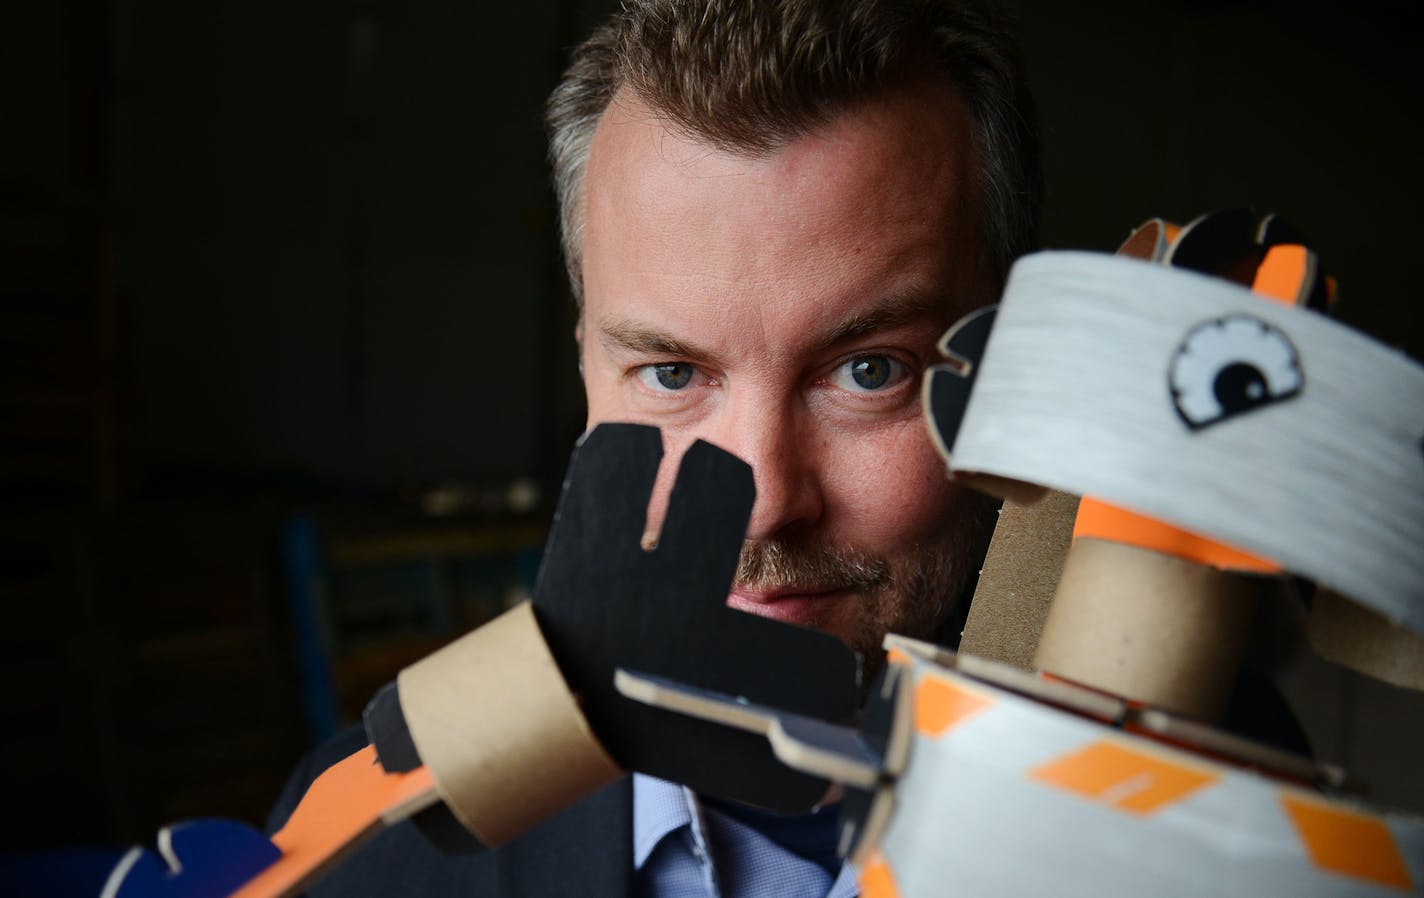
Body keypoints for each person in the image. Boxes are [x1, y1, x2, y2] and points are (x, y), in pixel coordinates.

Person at [270, 1, 1042, 895]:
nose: (763, 500)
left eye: (870, 370)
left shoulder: (1234, 837)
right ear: (589, 378)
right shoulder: (358, 855)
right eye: (672, 374)